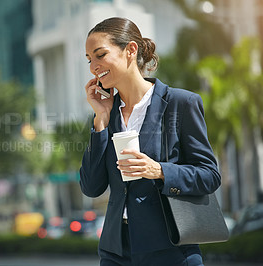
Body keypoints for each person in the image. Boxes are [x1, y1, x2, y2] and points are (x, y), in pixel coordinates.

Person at [79, 17, 221, 266]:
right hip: (116, 252)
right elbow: (92, 187)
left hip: (169, 249)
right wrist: (100, 120)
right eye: (90, 59)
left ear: (131, 50)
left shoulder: (180, 103)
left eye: (100, 55)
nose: (94, 66)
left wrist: (160, 170)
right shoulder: (105, 113)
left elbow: (209, 175)